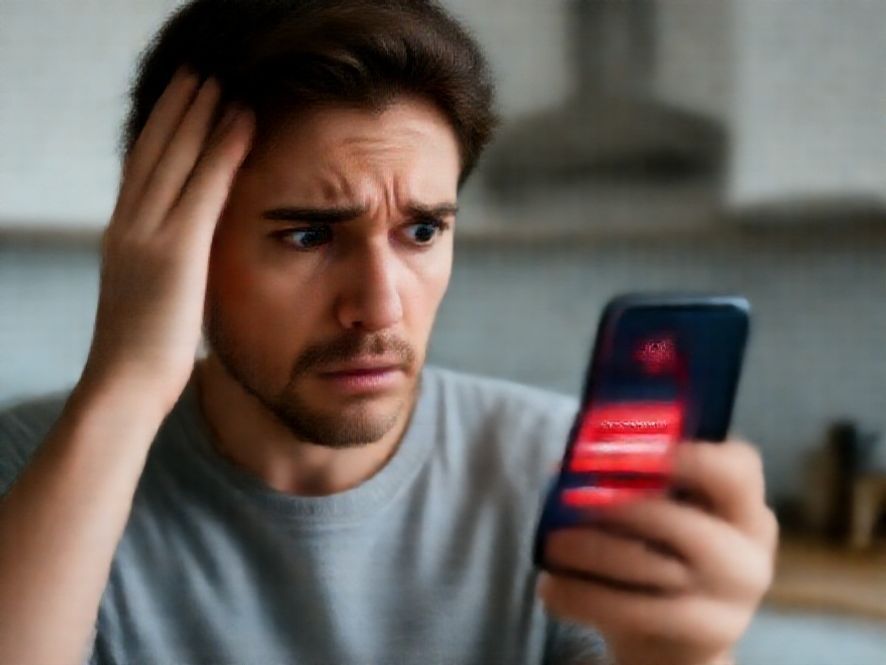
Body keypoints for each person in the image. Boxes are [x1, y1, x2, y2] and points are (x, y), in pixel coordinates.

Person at [0, 1, 777, 664]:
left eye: (422, 230)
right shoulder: (33, 466)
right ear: (173, 244)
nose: (379, 306)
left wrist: (683, 659)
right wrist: (127, 380)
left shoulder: (555, 471)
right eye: (307, 235)